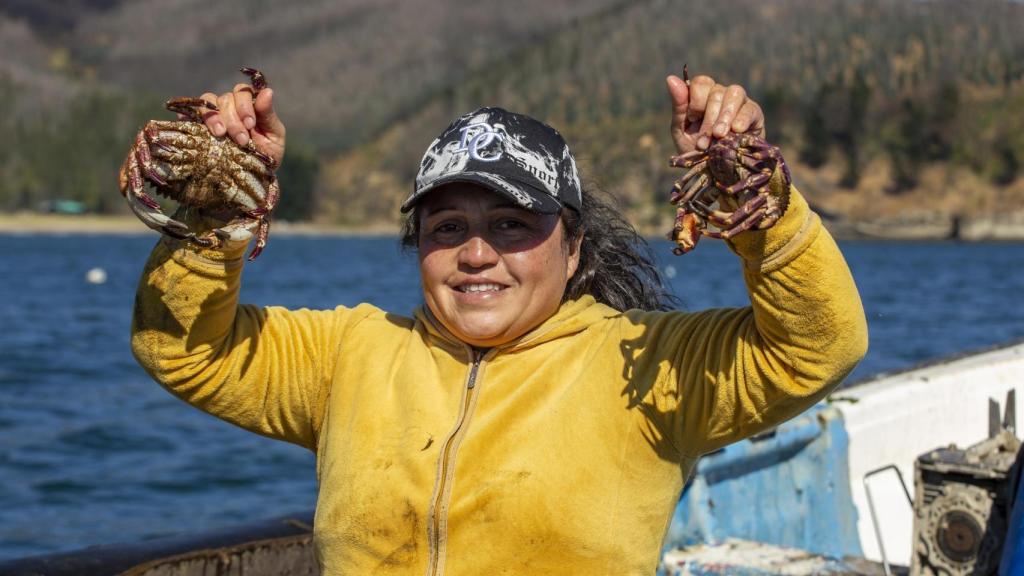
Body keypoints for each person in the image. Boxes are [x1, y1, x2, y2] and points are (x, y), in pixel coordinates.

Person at [130, 70, 868, 575]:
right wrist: (220, 211)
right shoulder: (349, 354)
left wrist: (757, 207)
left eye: (514, 225)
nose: (477, 253)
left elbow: (818, 343)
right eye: (447, 226)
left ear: (575, 248)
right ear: (417, 245)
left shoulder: (647, 363)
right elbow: (185, 348)